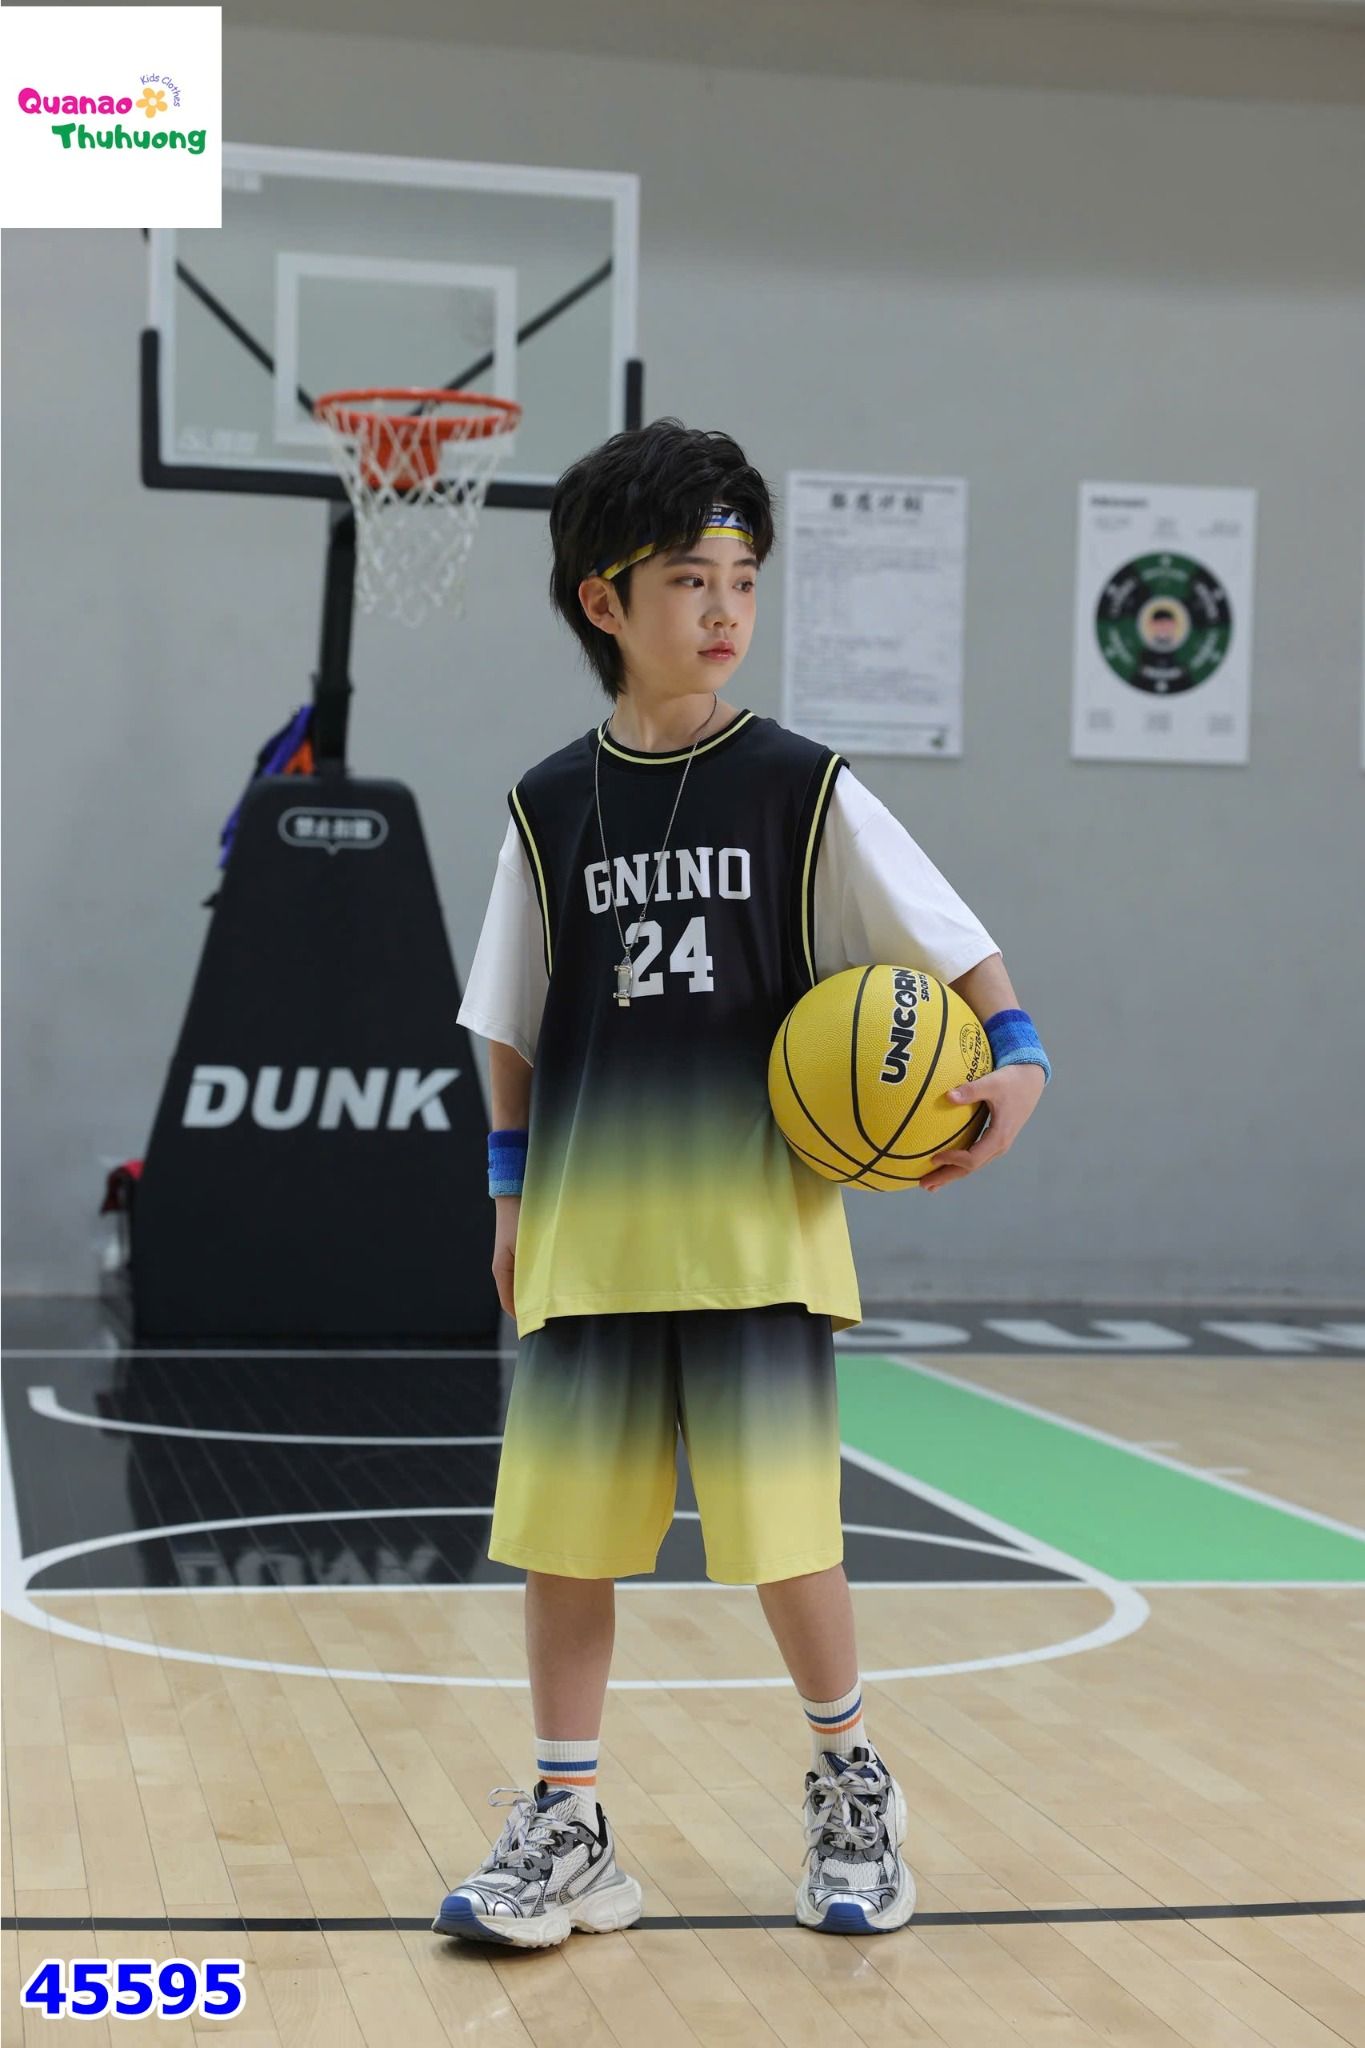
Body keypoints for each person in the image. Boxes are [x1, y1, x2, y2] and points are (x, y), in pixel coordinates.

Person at [432, 420, 1050, 1949]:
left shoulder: (796, 787)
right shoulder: (547, 804)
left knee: (787, 1539)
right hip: (590, 1232)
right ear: (602, 601)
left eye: (742, 579)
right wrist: (508, 1193)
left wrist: (1017, 1053)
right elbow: (508, 1017)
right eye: (687, 579)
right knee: (564, 1541)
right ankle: (568, 1824)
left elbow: (949, 938)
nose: (722, 608)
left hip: (754, 1233)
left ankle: (850, 1784)